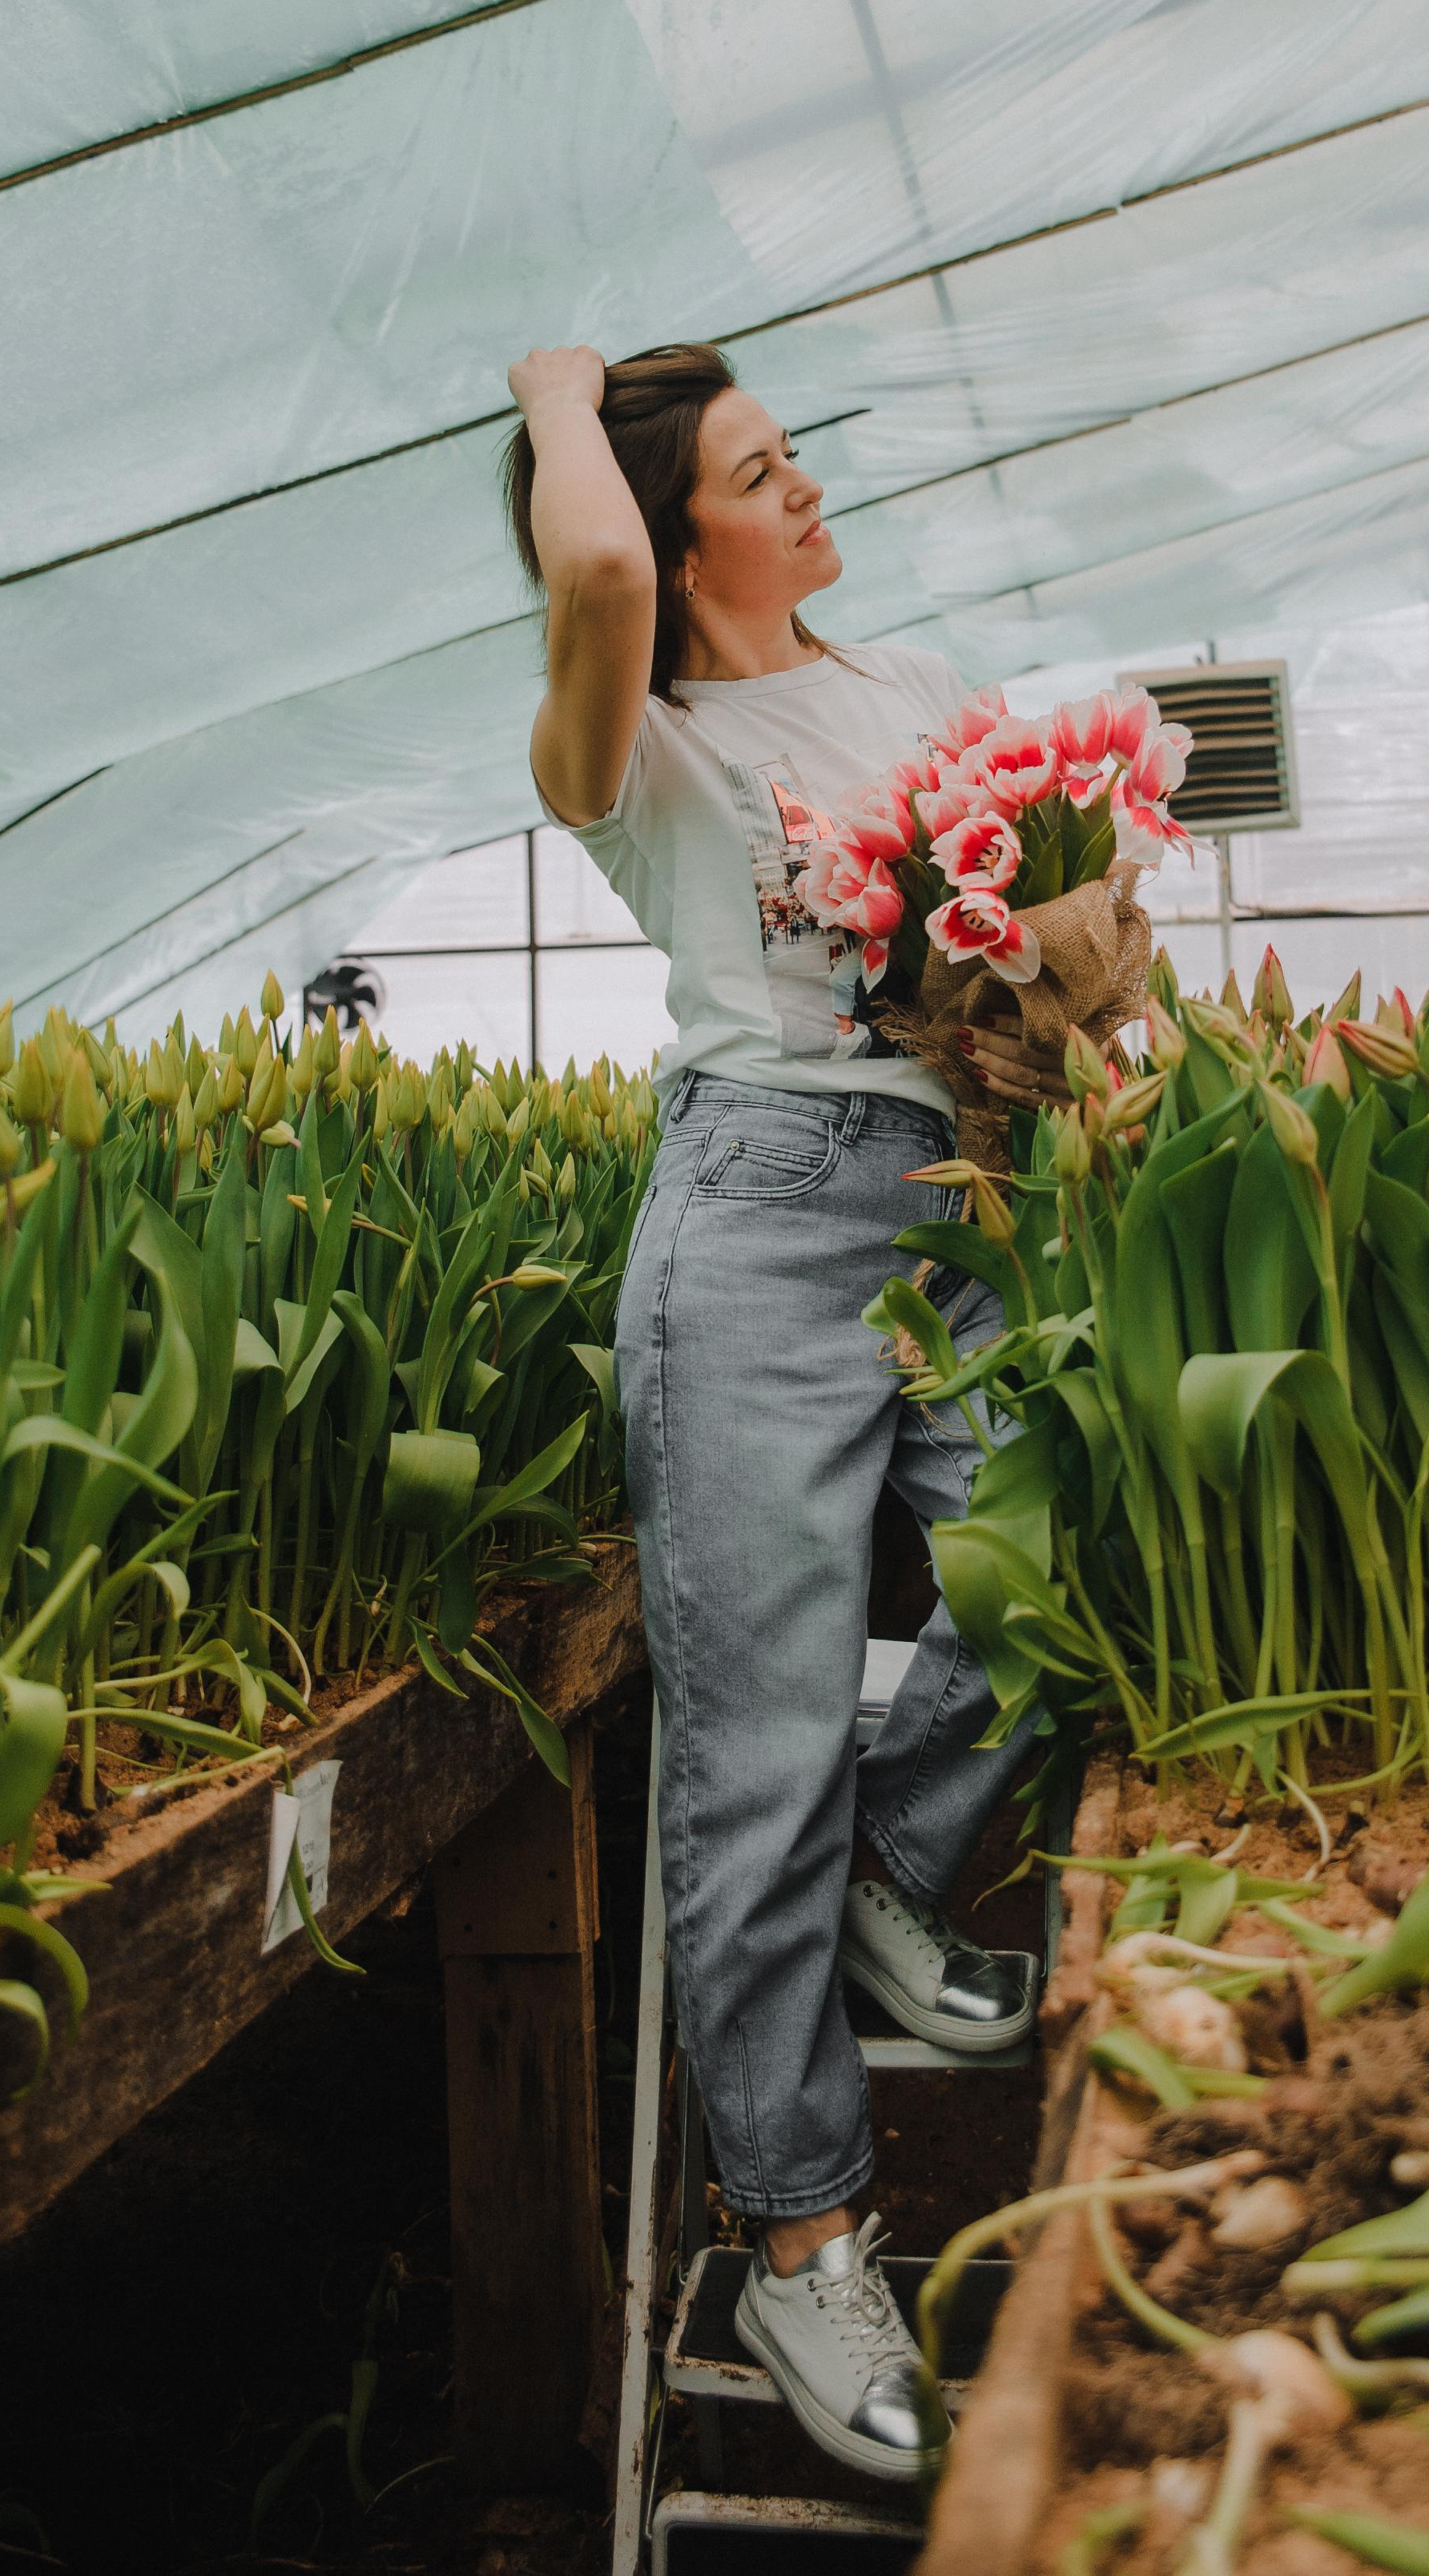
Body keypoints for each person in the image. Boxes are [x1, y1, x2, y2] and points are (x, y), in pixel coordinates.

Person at [505, 339, 1055, 2486]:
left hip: (957, 1186)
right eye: (759, 468)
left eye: (794, 453)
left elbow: (1035, 904)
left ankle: (891, 1869)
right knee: (750, 1751)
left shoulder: (911, 678)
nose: (809, 487)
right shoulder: (628, 738)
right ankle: (803, 2243)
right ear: (668, 524)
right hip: (753, 1217)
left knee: (1061, 1556)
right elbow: (599, 592)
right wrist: (564, 398)